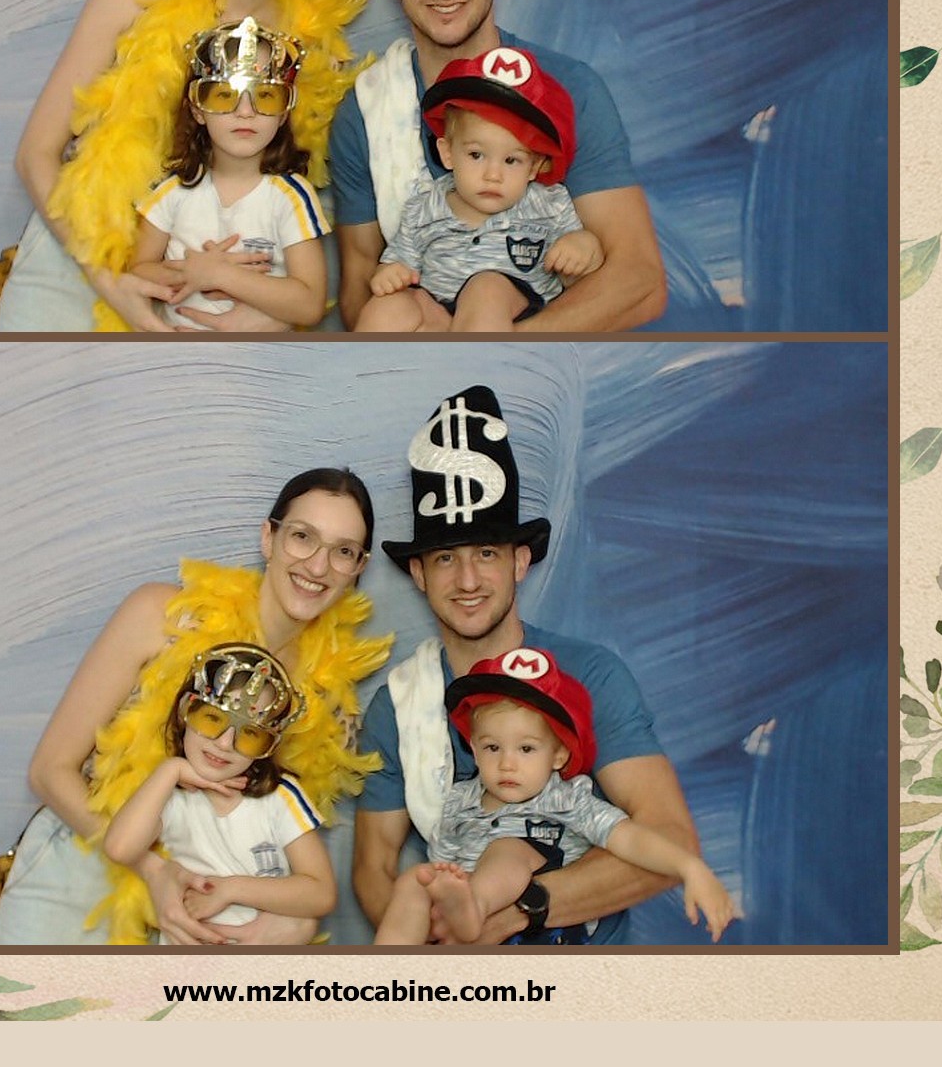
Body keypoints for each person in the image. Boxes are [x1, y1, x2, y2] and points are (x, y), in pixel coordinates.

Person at [352, 385, 698, 946]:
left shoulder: (591, 674)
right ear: (418, 573)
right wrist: (434, 947)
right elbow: (372, 868)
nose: (467, 580)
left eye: (487, 553)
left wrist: (515, 910)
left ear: (520, 561)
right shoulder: (398, 704)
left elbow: (671, 839)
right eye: (446, 557)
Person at [0, 469, 391, 945]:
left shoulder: (326, 704)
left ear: (358, 568)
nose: (318, 566)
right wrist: (153, 871)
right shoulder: (165, 617)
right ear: (269, 537)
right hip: (79, 871)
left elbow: (266, 840)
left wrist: (291, 922)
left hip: (198, 912)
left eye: (343, 551)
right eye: (303, 537)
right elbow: (48, 771)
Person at [0, 0, 370, 332]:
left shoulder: (311, 53)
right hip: (76, 260)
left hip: (198, 293)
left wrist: (270, 317)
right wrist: (111, 284)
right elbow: (34, 154)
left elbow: (285, 197)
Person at [329, 0, 666, 333]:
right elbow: (361, 283)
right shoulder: (367, 109)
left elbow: (639, 280)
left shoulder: (570, 89)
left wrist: (493, 345)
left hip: (523, 341)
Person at [374, 647, 736, 946]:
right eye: (493, 747)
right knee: (416, 879)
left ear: (559, 755)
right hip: (462, 924)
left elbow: (631, 839)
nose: (507, 763)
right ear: (474, 748)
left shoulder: (567, 800)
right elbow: (444, 867)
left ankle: (475, 907)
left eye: (526, 749)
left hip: (540, 937)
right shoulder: (460, 800)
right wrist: (438, 892)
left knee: (507, 850)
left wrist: (690, 868)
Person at [354, 46, 603, 332]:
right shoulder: (422, 209)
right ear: (447, 153)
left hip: (515, 315)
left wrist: (583, 247)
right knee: (389, 307)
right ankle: (371, 360)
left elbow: (580, 273)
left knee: (486, 288)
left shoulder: (549, 204)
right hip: (440, 313)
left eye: (511, 160)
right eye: (476, 155)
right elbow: (399, 261)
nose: (492, 175)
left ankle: (476, 357)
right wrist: (390, 274)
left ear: (534, 167)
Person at [103, 643, 337, 944]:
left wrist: (230, 889)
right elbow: (120, 849)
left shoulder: (280, 797)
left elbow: (321, 894)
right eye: (213, 719)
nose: (225, 743)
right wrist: (171, 770)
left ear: (268, 746)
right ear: (185, 712)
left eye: (250, 733)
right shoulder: (171, 797)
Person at [132, 17, 329, 331]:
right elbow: (136, 273)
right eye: (225, 95)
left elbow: (309, 305)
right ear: (197, 109)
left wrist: (223, 275)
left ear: (283, 114)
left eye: (265, 95)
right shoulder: (173, 191)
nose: (245, 111)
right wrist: (195, 272)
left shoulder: (291, 197)